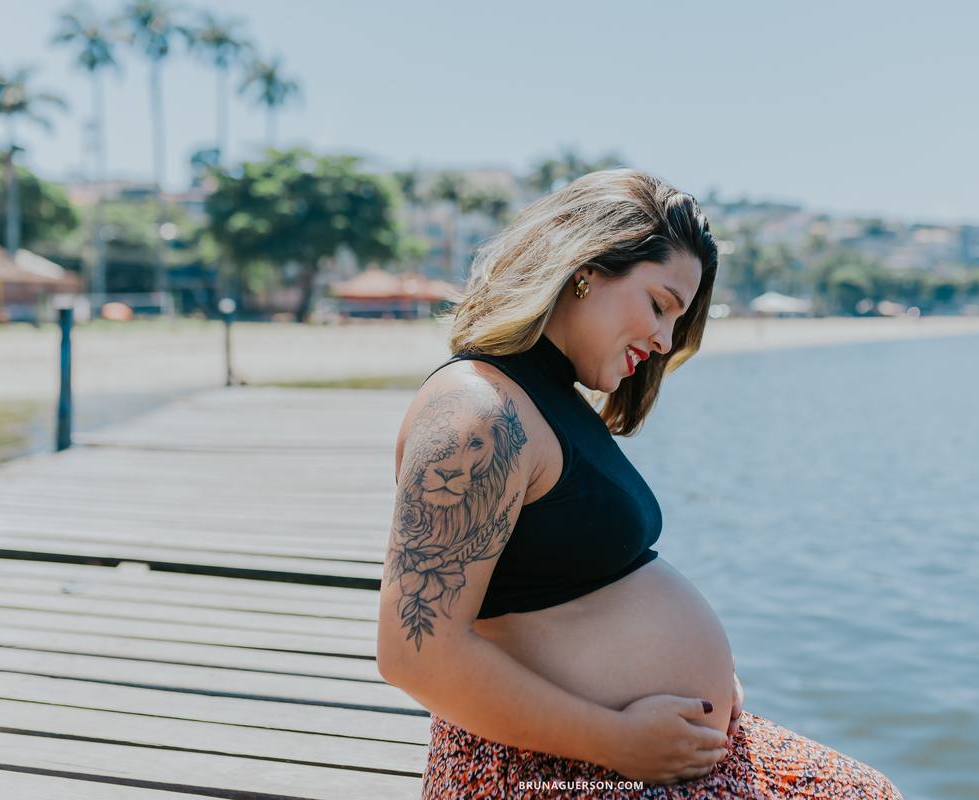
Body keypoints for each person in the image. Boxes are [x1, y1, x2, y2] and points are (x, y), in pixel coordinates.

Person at [377, 169, 902, 799]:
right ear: (586, 267)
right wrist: (616, 738)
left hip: (617, 751)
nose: (663, 341)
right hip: (542, 767)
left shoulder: (550, 398)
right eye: (659, 305)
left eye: (677, 321)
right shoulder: (477, 412)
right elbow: (414, 652)